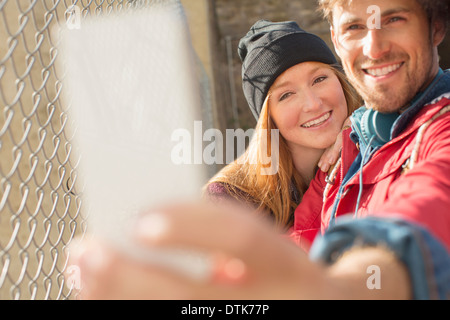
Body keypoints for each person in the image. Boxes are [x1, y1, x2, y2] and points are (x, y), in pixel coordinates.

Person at [68, 0, 450, 300]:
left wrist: (335, 288)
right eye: (354, 26)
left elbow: (426, 212)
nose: (314, 104)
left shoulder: (415, 132)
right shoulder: (352, 147)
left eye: (395, 18)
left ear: (436, 26)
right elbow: (299, 245)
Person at [204, 20, 360, 231]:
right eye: (286, 95)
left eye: (319, 79)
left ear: (341, 81)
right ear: (268, 118)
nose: (313, 104)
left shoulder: (374, 144)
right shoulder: (231, 199)